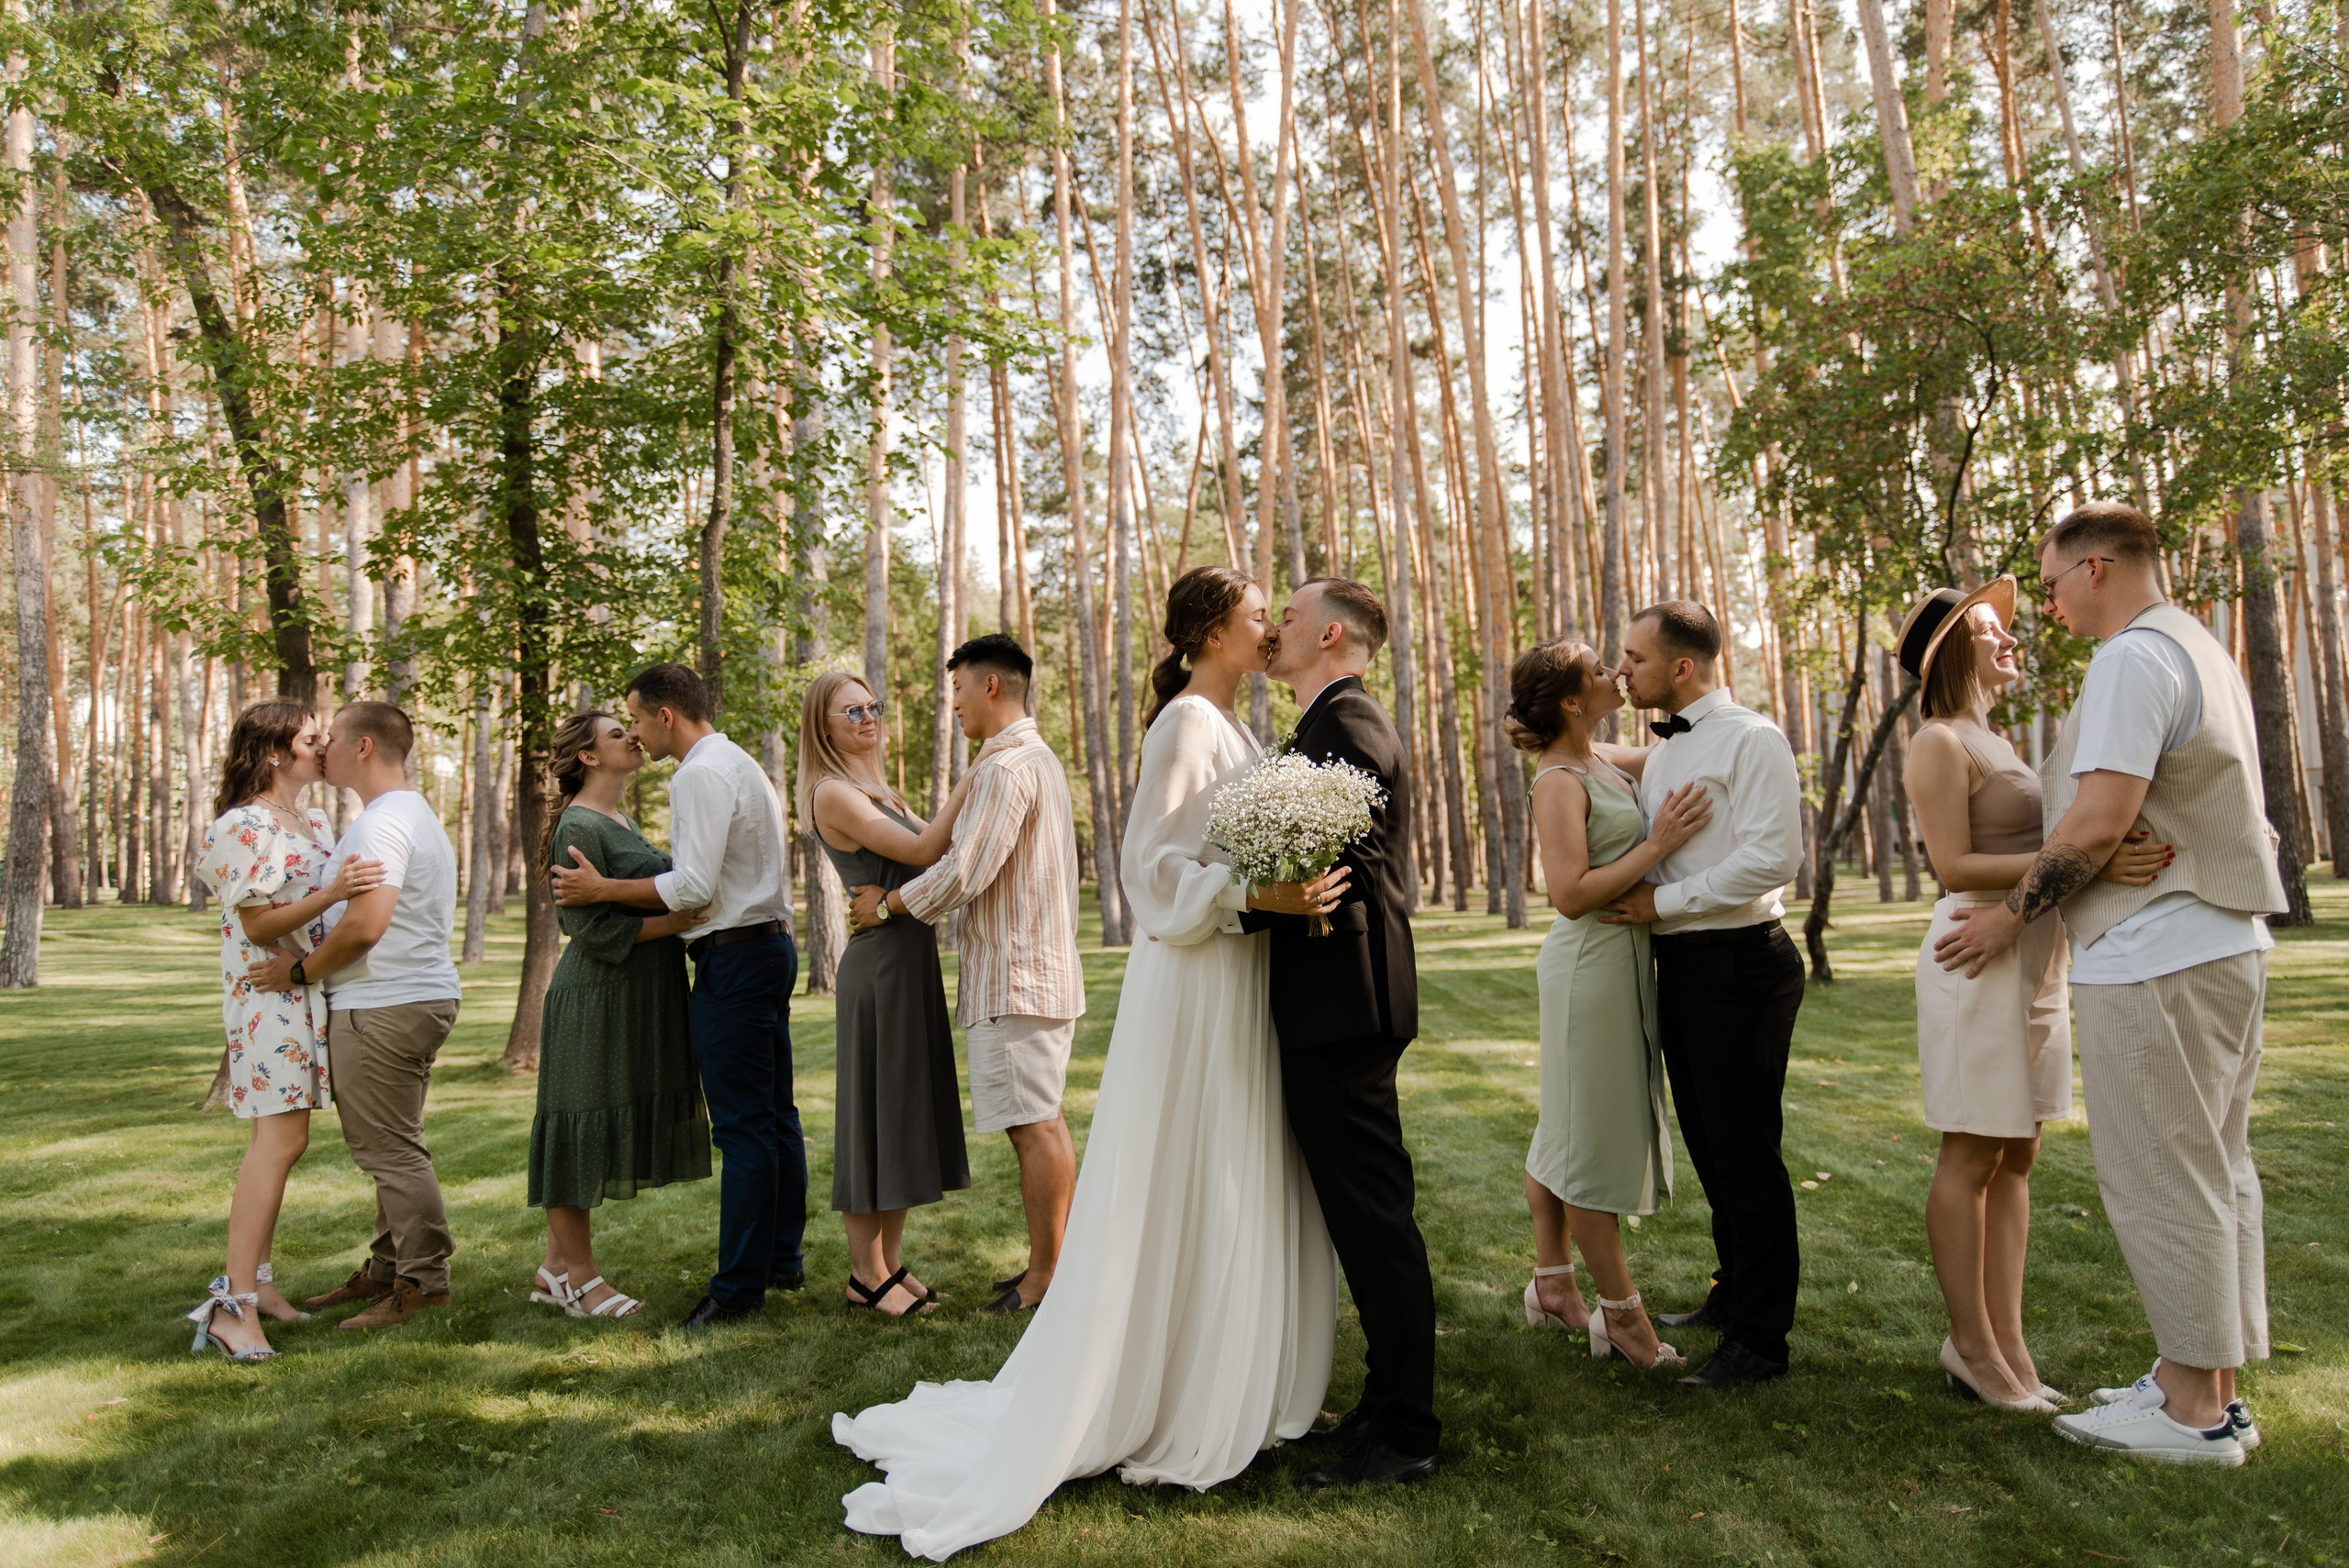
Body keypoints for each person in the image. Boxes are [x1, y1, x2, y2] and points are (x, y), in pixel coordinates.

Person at [831, 567, 1349, 1557]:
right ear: (1208, 632)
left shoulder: (1236, 728)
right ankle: (1161, 1375)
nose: (1269, 623)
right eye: (1253, 614)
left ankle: (1214, 1356)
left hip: (1233, 971)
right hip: (1198, 970)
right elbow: (1150, 864)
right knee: (1187, 1160)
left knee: (1225, 1163)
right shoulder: (1187, 724)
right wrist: (1253, 900)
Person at [1933, 502, 2285, 1465]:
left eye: (2047, 585)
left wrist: (2009, 916)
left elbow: (2095, 823)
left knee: (2159, 1175)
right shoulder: (2198, 648)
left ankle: (2188, 1413)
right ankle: (2211, 1384)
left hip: (2159, 951)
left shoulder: (2131, 658)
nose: (2044, 605)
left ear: (2095, 567)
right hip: (2218, 940)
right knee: (2214, 1167)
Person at [1899, 579, 2169, 1413]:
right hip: (1974, 950)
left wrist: (2078, 858)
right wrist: (2078, 858)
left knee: (2018, 1153)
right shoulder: (1941, 741)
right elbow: (1953, 866)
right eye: (1992, 630)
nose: (2011, 639)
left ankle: (2007, 1342)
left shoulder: (1997, 738)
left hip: (2036, 949)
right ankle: (1970, 1345)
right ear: (1950, 650)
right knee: (1972, 1151)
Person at [1253, 577, 1442, 1487]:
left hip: (1347, 996)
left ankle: (1405, 1427)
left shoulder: (1352, 718)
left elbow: (1349, 859)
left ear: (1330, 633)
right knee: (1361, 1215)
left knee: (1375, 1219)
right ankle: (1381, 1403)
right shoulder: (1322, 720)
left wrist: (1264, 888)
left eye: (1285, 616)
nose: (1272, 629)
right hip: (1330, 996)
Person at [551, 663, 807, 1331]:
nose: (635, 732)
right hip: (767, 946)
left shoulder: (697, 771)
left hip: (738, 957)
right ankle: (779, 1257)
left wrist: (604, 890)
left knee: (747, 1126)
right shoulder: (737, 760)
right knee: (776, 1115)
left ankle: (737, 1290)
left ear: (666, 714)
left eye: (635, 717)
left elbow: (692, 886)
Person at [846, 635, 1080, 1317]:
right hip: (1033, 971)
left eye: (956, 692)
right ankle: (1051, 1265)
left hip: (1017, 974)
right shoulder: (1022, 759)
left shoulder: (1009, 769)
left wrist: (887, 903)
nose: (951, 706)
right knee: (1042, 1123)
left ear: (991, 688)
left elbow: (964, 871)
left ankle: (1045, 1280)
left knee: (1033, 1127)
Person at [1606, 601, 1807, 1388]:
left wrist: (1664, 904)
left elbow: (1774, 858)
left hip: (1741, 964)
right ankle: (1734, 1293)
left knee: (1746, 1151)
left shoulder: (1754, 739)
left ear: (1681, 667)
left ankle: (1761, 1340)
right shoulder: (1668, 746)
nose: (1623, 670)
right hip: (1686, 967)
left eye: (1634, 658)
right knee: (1713, 1146)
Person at [1507, 640, 1711, 1372]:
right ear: (1569, 699)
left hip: (1622, 963)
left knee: (1565, 1123)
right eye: (1600, 670)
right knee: (1588, 1140)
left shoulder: (1599, 758)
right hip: (1588, 966)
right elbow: (1567, 893)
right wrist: (1657, 844)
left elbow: (1680, 759)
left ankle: (1552, 1280)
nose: (1615, 674)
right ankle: (1622, 1318)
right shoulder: (1558, 779)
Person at [246, 702, 463, 1332]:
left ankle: (423, 1283)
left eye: (332, 739)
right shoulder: (405, 812)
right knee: (394, 1142)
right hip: (406, 996)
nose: (322, 750)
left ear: (364, 747)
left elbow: (365, 926)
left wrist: (297, 971)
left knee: (390, 1151)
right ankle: (387, 1266)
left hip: (385, 1001)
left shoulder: (381, 824)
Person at [189, 702, 386, 1360]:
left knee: (281, 1141)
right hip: (266, 996)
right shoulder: (243, 825)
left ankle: (261, 1286)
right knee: (279, 1142)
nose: (323, 745)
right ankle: (232, 1307)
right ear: (274, 751)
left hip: (300, 991)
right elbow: (257, 925)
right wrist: (334, 893)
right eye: (310, 739)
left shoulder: (307, 818)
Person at [526, 711, 716, 1320]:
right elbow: (583, 923)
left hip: (634, 991)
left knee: (599, 1120)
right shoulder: (579, 823)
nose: (632, 737)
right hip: (596, 994)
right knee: (579, 1122)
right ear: (586, 756)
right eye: (615, 733)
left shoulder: (618, 819)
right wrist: (676, 922)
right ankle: (582, 1280)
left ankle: (555, 1267)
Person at [804, 671, 973, 1319]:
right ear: (825, 725)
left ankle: (891, 1264)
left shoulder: (878, 788)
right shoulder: (835, 793)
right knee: (871, 1119)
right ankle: (863, 1274)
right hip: (877, 972)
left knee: (901, 1116)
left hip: (910, 959)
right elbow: (929, 845)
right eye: (852, 710)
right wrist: (980, 769)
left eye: (873, 706)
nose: (868, 717)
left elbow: (943, 853)